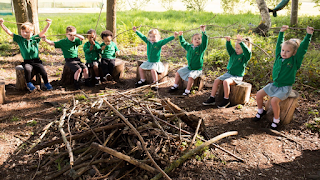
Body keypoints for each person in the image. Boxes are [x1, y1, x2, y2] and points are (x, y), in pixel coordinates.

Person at [253, 25, 314, 129]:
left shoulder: (294, 61)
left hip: (285, 87)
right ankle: (260, 111)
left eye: (288, 51)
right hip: (274, 84)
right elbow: (278, 45)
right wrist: (281, 32)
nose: (284, 53)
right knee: (258, 94)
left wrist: (308, 35)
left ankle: (276, 120)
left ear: (294, 52)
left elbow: (302, 49)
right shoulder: (278, 56)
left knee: (273, 101)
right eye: (283, 50)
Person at [0, 18, 53, 92]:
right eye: (23, 31)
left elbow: (43, 32)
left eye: (27, 32)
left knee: (43, 71)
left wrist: (48, 24)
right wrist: (2, 24)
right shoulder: (20, 39)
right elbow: (9, 32)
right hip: (27, 61)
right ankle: (29, 83)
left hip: (36, 61)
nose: (24, 33)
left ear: (32, 32)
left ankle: (47, 83)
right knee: (27, 70)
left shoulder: (35, 38)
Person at [203, 34, 252, 108]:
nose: (236, 50)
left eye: (239, 48)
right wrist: (228, 41)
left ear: (244, 48)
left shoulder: (245, 57)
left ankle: (226, 100)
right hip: (229, 74)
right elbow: (229, 48)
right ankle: (212, 98)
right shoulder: (233, 54)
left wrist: (241, 42)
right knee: (216, 81)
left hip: (237, 76)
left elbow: (248, 52)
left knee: (226, 82)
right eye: (236, 48)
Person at [42, 25, 91, 90]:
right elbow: (52, 43)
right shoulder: (63, 42)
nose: (72, 37)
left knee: (85, 69)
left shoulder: (76, 40)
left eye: (73, 35)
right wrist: (45, 40)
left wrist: (75, 34)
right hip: (69, 60)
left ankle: (87, 82)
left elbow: (82, 38)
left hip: (76, 59)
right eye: (70, 35)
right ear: (66, 35)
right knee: (79, 69)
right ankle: (76, 83)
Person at [133, 26, 178, 91]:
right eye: (150, 37)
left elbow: (166, 40)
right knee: (140, 68)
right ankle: (142, 80)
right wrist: (136, 31)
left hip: (155, 62)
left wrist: (174, 36)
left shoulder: (159, 43)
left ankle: (155, 83)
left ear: (158, 37)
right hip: (149, 61)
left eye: (154, 37)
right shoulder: (148, 42)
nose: (152, 38)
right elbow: (142, 36)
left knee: (153, 70)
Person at [168, 25, 208, 96]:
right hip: (189, 67)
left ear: (201, 41)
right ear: (192, 41)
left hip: (197, 69)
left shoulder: (201, 49)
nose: (197, 40)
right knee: (178, 72)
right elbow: (183, 43)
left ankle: (187, 91)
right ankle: (175, 86)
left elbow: (205, 42)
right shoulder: (189, 47)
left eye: (199, 39)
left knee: (190, 76)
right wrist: (181, 36)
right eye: (195, 39)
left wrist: (203, 31)